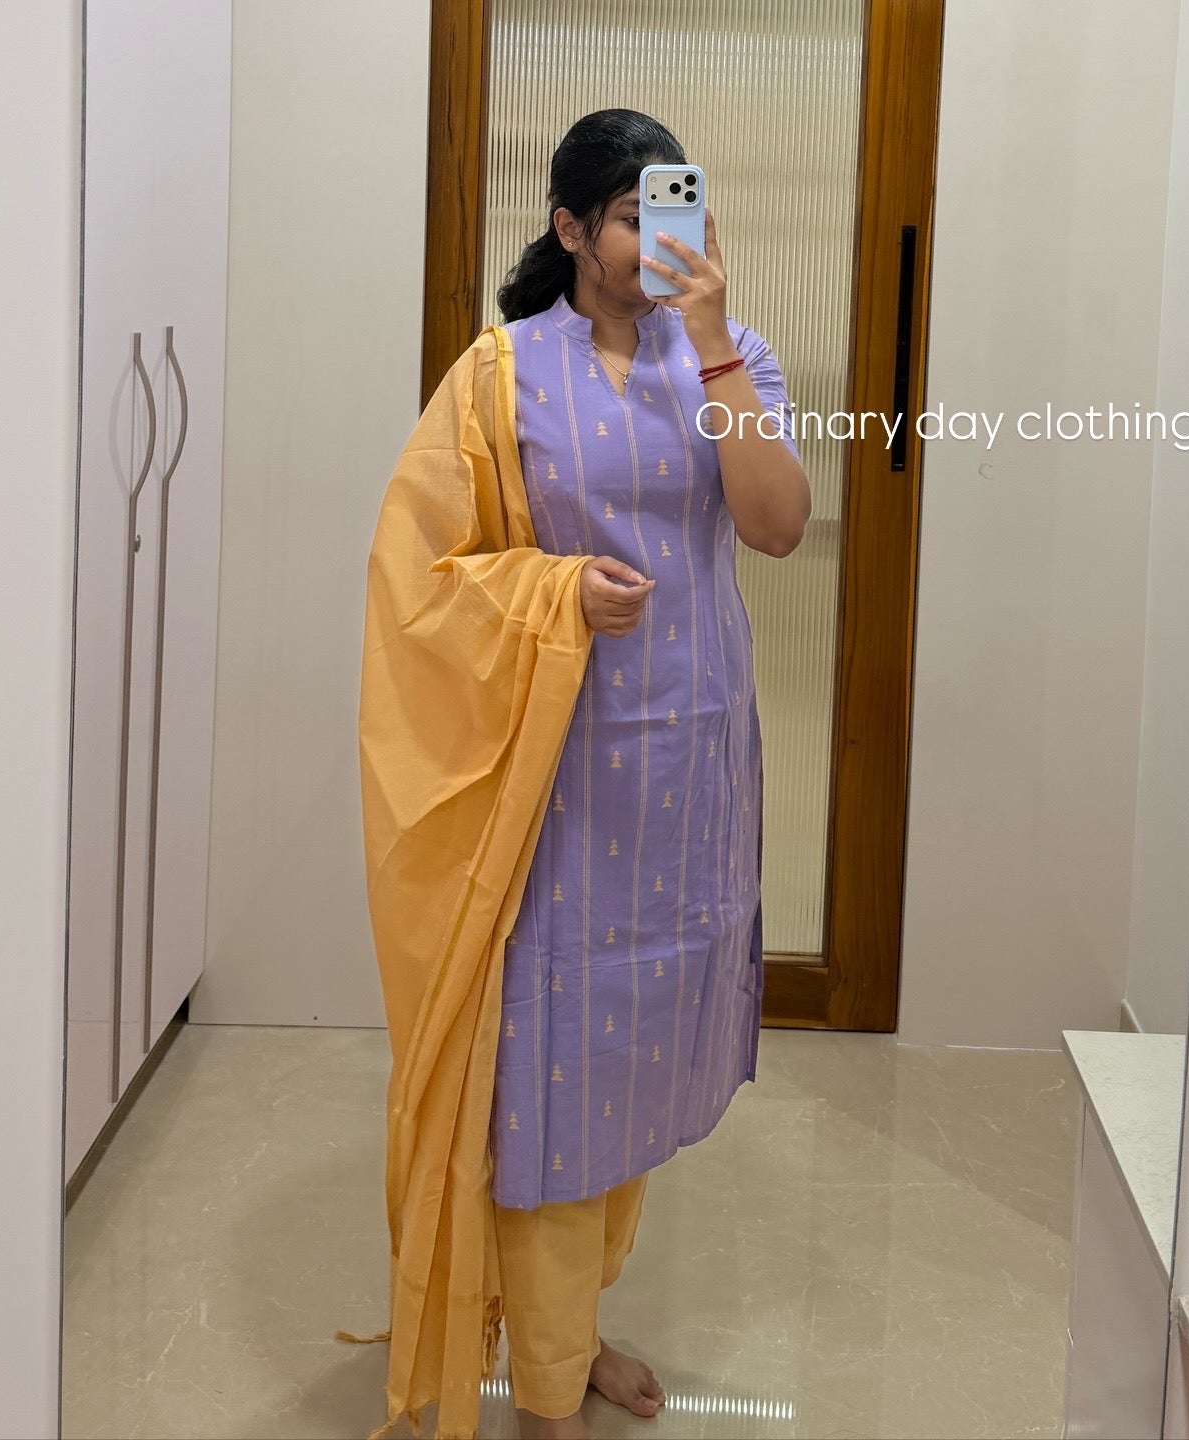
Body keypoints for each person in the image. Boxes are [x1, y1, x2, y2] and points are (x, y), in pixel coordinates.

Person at [350, 108, 810, 1440]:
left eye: (678, 207)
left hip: (691, 771)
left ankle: (576, 1327)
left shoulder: (731, 357)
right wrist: (552, 593)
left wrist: (714, 345)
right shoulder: (500, 373)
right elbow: (421, 576)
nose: (662, 237)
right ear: (569, 230)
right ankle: (548, 1391)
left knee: (639, 1056)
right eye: (631, 215)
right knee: (554, 1068)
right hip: (552, 779)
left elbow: (779, 526)